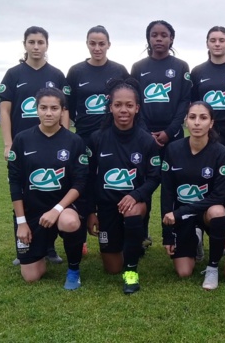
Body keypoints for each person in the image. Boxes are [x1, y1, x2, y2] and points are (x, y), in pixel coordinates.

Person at [0, 26, 70, 266]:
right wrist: (8, 142)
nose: (36, 46)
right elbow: (5, 110)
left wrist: (67, 138)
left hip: (53, 143)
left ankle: (49, 247)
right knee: (22, 192)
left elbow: (65, 109)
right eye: (32, 42)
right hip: (24, 146)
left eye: (40, 42)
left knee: (50, 189)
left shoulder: (58, 75)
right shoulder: (13, 74)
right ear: (25, 44)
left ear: (47, 45)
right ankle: (24, 245)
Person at [7, 87, 88, 289]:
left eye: (54, 108)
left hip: (64, 208)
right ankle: (41, 249)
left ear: (62, 111)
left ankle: (74, 270)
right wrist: (21, 222)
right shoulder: (22, 139)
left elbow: (80, 183)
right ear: (37, 110)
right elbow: (15, 182)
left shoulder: (74, 141)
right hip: (32, 211)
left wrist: (57, 210)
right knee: (31, 276)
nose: (48, 113)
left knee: (69, 222)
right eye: (43, 108)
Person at [86, 78, 160, 294]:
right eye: (118, 105)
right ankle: (130, 246)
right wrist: (91, 212)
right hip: (106, 207)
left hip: (135, 203)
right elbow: (89, 178)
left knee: (132, 213)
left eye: (129, 105)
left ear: (137, 108)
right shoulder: (97, 139)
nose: (123, 110)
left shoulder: (147, 141)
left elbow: (155, 177)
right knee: (111, 267)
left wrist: (136, 195)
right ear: (110, 107)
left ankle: (131, 273)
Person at [130, 20, 191, 248]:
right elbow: (134, 102)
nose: (158, 39)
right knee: (143, 183)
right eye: (154, 35)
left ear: (171, 39)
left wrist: (169, 131)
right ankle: (141, 235)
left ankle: (174, 233)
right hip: (143, 135)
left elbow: (185, 101)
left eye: (163, 35)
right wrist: (146, 132)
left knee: (172, 185)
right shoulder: (138, 67)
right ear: (148, 38)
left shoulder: (181, 67)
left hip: (172, 135)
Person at [161, 102, 225, 290]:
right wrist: (167, 235)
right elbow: (166, 193)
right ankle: (195, 239)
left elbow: (218, 196)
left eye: (203, 118)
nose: (197, 123)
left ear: (211, 123)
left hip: (205, 212)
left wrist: (181, 211)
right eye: (192, 117)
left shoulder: (221, 153)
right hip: (182, 217)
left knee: (217, 211)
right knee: (184, 272)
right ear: (186, 121)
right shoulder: (173, 150)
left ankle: (213, 267)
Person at [66, 25, 129, 146]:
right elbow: (69, 104)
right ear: (87, 44)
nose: (97, 48)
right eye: (92, 44)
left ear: (109, 45)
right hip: (84, 135)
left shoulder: (119, 70)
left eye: (101, 44)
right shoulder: (76, 71)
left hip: (114, 135)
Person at [191, 26, 225, 151]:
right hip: (205, 130)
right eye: (213, 40)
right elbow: (193, 102)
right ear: (207, 44)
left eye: (221, 40)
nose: (217, 44)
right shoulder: (197, 71)